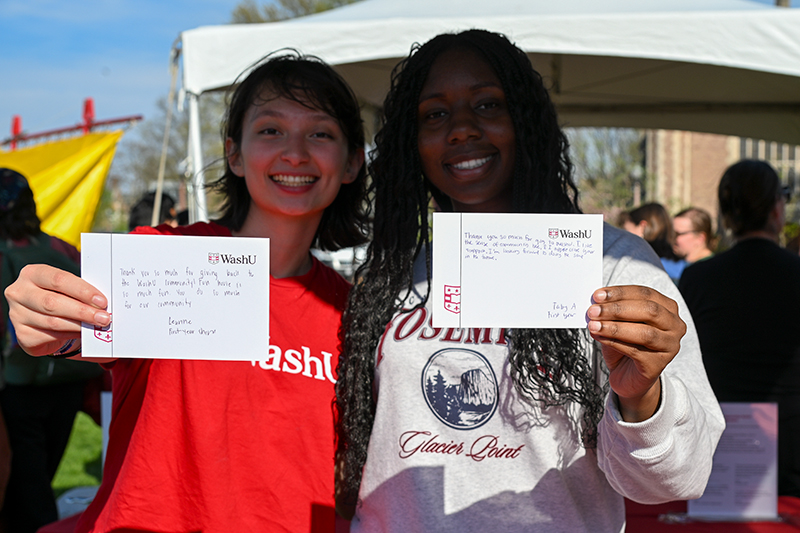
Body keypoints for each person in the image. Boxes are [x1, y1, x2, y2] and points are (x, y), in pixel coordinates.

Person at [335, 30, 724, 533]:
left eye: (487, 104)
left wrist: (641, 398)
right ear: (412, 144)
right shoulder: (392, 273)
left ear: (526, 121)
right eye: (434, 114)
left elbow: (677, 482)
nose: (460, 129)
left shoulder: (612, 264)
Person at [4, 52, 369, 532]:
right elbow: (71, 335)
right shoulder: (161, 256)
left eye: (320, 133)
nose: (295, 153)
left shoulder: (357, 315)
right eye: (270, 130)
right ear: (234, 154)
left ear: (351, 163)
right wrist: (44, 318)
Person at [679, 160, 800, 497]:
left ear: (726, 215)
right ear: (777, 209)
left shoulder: (699, 277)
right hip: (792, 439)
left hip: (721, 437)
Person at [0, 168, 104, 533]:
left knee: (26, 487)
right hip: (73, 377)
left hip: (18, 385)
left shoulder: (5, 252)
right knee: (44, 472)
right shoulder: (61, 247)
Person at [624, 203, 687, 283]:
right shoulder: (684, 265)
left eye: (626, 230)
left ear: (642, 227)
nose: (623, 237)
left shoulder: (641, 266)